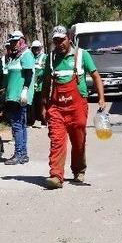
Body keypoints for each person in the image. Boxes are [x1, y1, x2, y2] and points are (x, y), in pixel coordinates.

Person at [41, 26, 106, 189]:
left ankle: (79, 170)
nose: (59, 43)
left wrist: (102, 98)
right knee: (57, 140)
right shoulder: (50, 58)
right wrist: (43, 105)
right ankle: (56, 175)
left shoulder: (82, 55)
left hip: (77, 106)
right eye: (56, 41)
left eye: (61, 40)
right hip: (56, 107)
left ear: (69, 38)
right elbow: (46, 83)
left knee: (78, 141)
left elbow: (96, 76)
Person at [0, 30, 36, 165]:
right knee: (20, 125)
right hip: (11, 95)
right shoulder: (14, 57)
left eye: (16, 41)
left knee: (17, 125)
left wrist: (25, 91)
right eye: (12, 42)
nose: (14, 44)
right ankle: (23, 154)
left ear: (21, 40)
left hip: (19, 97)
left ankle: (19, 154)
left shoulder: (26, 55)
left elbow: (28, 75)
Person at [27, 39, 47, 127]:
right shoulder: (30, 57)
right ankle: (31, 120)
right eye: (34, 48)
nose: (36, 50)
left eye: (37, 48)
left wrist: (40, 75)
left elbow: (46, 70)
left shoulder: (45, 57)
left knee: (41, 103)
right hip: (31, 85)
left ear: (40, 48)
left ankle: (44, 120)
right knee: (31, 103)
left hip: (40, 84)